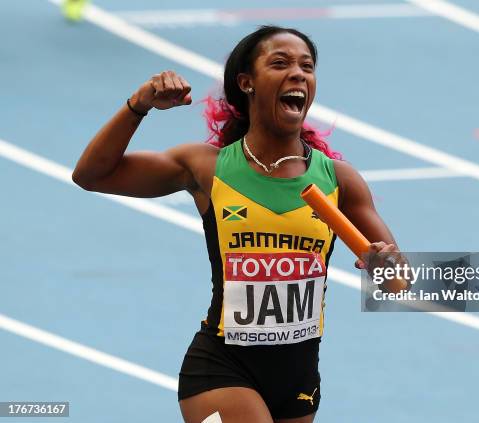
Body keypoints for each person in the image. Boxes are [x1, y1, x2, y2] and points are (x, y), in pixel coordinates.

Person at [72, 26, 406, 423]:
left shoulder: (339, 180)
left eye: (307, 66)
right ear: (246, 83)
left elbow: (398, 282)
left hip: (298, 377)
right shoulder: (205, 167)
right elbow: (92, 175)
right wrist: (137, 106)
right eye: (280, 63)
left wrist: (387, 268)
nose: (298, 73)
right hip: (220, 368)